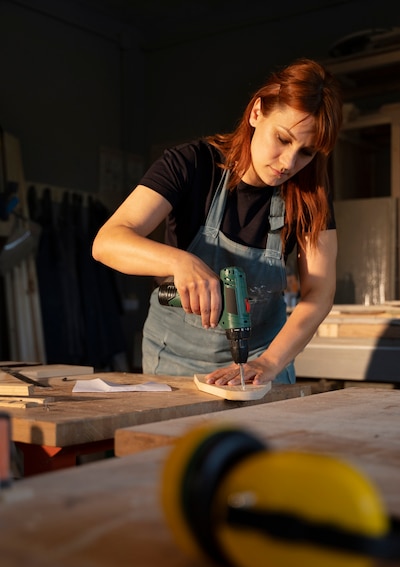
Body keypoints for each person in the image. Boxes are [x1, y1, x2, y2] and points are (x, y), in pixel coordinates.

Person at [92, 58, 343, 387]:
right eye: (282, 139)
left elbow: (319, 293)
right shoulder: (191, 165)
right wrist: (180, 261)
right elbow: (107, 242)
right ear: (256, 113)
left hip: (263, 361)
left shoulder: (309, 196)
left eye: (306, 153)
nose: (289, 163)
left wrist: (269, 362)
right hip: (175, 360)